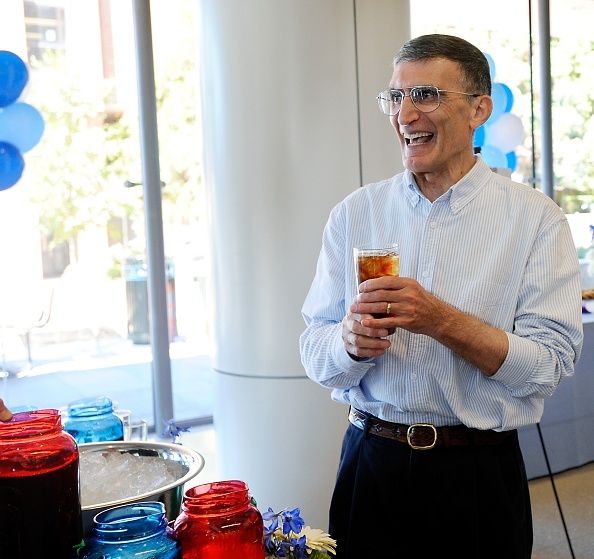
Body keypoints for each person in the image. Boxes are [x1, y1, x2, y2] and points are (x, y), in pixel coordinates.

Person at [299, 34, 584, 559]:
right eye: (395, 97)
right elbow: (315, 351)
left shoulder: (535, 220)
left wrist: (439, 320)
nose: (405, 114)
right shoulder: (354, 214)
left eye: (425, 95)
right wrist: (349, 342)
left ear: (480, 108)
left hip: (477, 472)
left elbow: (548, 366)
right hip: (370, 464)